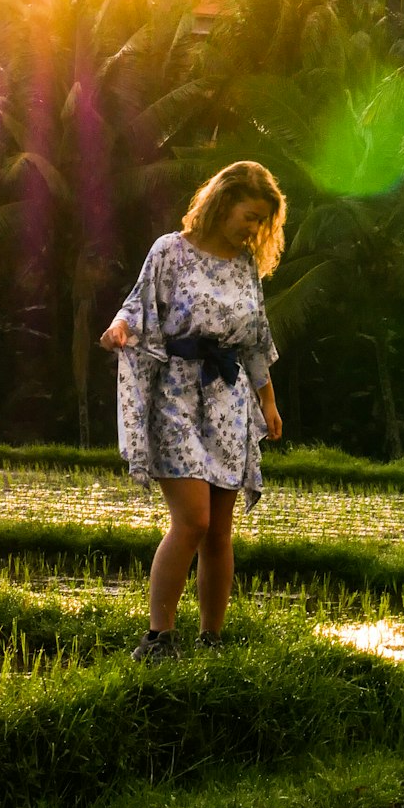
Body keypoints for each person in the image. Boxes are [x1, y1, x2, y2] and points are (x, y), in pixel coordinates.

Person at [100, 161, 285, 660]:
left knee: (220, 531)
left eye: (262, 221)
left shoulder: (246, 266)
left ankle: (211, 640)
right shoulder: (171, 251)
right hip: (177, 398)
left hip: (229, 400)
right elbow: (137, 304)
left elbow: (255, 340)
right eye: (250, 215)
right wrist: (121, 329)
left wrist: (268, 402)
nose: (255, 228)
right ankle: (158, 638)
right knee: (194, 521)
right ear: (223, 203)